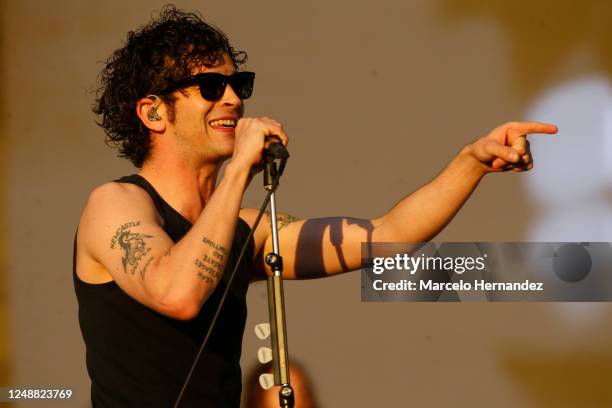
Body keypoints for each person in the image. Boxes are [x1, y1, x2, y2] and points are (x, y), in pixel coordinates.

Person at [73, 5, 557, 407]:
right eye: (210, 88)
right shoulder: (116, 204)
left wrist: (471, 161)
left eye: (238, 85)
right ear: (153, 111)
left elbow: (385, 238)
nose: (232, 102)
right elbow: (177, 294)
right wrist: (241, 167)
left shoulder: (245, 231)